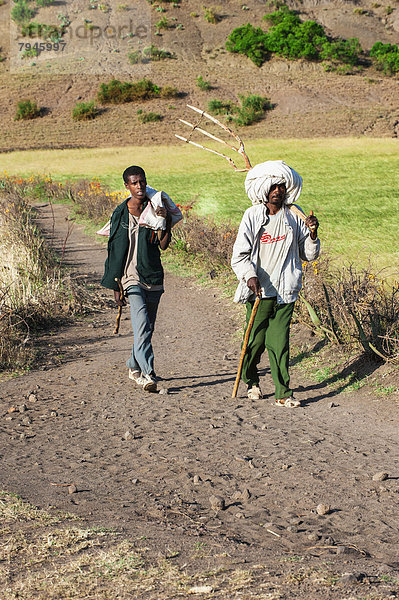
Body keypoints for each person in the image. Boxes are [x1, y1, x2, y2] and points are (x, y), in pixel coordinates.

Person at [231, 160, 320, 407]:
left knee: (279, 342)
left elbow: (309, 255)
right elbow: (239, 255)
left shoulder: (295, 215)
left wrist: (313, 235)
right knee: (254, 342)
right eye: (273, 187)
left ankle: (283, 393)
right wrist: (250, 276)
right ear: (264, 190)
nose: (278, 191)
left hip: (286, 291)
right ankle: (252, 381)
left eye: (281, 186)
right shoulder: (252, 216)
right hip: (259, 292)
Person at [101, 165, 172, 392]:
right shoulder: (120, 213)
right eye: (134, 183)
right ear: (127, 186)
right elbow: (113, 249)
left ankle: (133, 365)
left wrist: (165, 221)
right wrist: (115, 284)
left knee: (147, 328)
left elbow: (163, 245)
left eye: (142, 181)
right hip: (130, 278)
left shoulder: (154, 209)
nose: (140, 186)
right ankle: (148, 373)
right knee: (141, 325)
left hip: (152, 275)